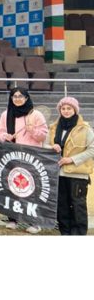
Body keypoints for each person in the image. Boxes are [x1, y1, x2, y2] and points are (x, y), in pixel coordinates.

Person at [0, 87, 48, 233]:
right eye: (14, 96)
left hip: (31, 157)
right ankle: (13, 219)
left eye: (20, 96)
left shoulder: (36, 114)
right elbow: (0, 132)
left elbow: (43, 136)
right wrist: (5, 136)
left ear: (26, 98)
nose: (17, 98)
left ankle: (34, 222)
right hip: (12, 156)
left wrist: (32, 130)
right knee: (13, 187)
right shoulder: (5, 114)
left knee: (31, 189)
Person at [47, 97, 94, 235]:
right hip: (58, 174)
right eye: (63, 108)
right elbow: (44, 145)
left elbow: (92, 149)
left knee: (78, 206)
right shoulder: (54, 127)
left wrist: (72, 159)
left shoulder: (85, 128)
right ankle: (65, 233)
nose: (66, 111)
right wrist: (51, 146)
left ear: (75, 110)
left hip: (77, 174)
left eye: (69, 108)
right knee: (62, 206)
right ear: (59, 110)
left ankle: (78, 235)